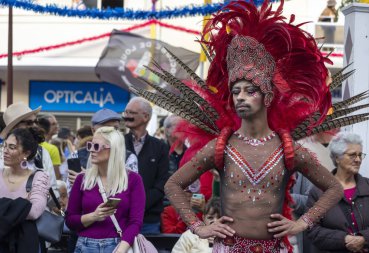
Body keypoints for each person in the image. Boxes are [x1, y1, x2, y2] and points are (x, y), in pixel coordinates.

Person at [158, 1, 346, 252]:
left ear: (267, 97)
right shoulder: (221, 147)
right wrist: (199, 227)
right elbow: (173, 185)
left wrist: (301, 223)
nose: (241, 97)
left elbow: (334, 188)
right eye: (236, 91)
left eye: (250, 90)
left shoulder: (287, 148)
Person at [66, 126, 145, 253]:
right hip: (85, 245)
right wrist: (94, 216)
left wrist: (121, 250)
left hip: (119, 245)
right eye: (90, 145)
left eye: (96, 146)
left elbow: (135, 222)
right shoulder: (82, 179)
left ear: (113, 150)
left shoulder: (133, 180)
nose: (91, 150)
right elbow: (70, 220)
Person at [307, 132, 369, 253]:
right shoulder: (319, 191)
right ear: (337, 158)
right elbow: (312, 229)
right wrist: (344, 239)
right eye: (352, 155)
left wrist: (364, 239)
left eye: (360, 155)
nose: (358, 160)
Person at [123, 97, 170, 234]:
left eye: (132, 113)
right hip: (121, 217)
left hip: (148, 220)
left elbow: (162, 182)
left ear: (145, 117)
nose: (127, 116)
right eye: (126, 112)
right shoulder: (118, 143)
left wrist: (140, 204)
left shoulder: (160, 147)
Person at [0, 127, 50, 253]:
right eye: (4, 146)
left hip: (25, 243)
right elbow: (27, 209)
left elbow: (34, 212)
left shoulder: (39, 177)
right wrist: (22, 203)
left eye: (11, 147)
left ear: (26, 153)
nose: (5, 151)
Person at [0, 102, 58, 197]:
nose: (35, 126)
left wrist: (39, 198)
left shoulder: (42, 153)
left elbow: (53, 191)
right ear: (14, 127)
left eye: (36, 121)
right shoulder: (2, 154)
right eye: (29, 123)